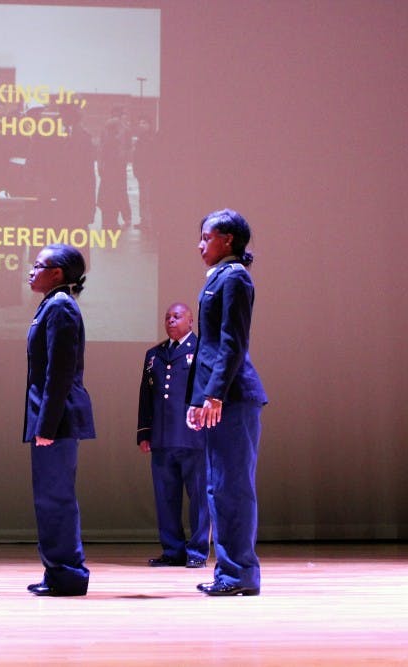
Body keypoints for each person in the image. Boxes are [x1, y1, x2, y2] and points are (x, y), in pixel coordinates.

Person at [186, 209, 268, 596]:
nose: (200, 244)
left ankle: (239, 575)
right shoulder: (219, 278)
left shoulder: (234, 277)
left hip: (233, 398)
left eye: (207, 237)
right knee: (218, 487)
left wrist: (214, 393)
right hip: (219, 396)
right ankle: (229, 573)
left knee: (231, 487)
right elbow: (208, 347)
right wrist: (197, 397)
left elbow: (233, 343)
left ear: (228, 240)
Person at [23, 243, 95, 597]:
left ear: (58, 273)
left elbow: (60, 373)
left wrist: (47, 425)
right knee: (49, 498)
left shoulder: (61, 307)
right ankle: (58, 571)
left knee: (56, 498)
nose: (30, 270)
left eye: (38, 265)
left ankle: (67, 574)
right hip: (51, 418)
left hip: (58, 419)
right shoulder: (52, 304)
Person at [137, 302, 210, 569]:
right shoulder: (154, 355)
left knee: (199, 498)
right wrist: (144, 432)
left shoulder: (202, 350)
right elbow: (147, 395)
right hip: (163, 438)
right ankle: (172, 550)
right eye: (167, 317)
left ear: (190, 322)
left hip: (193, 436)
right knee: (165, 497)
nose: (171, 320)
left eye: (177, 316)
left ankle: (198, 551)